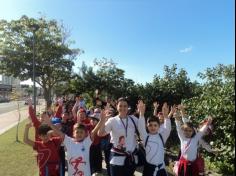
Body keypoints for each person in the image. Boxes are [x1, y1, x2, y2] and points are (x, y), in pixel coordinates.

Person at [44, 109, 107, 176]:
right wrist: (49, 123)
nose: (79, 134)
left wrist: (101, 120)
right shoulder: (69, 141)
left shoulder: (87, 142)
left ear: (85, 134)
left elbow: (93, 132)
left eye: (81, 132)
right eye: (77, 132)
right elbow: (59, 133)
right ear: (73, 133)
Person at [98, 97, 138, 176]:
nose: (123, 108)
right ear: (117, 107)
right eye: (120, 106)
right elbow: (100, 133)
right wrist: (102, 120)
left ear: (128, 107)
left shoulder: (134, 119)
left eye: (125, 106)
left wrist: (142, 114)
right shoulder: (112, 120)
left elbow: (144, 130)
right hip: (116, 158)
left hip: (131, 159)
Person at [174, 109, 213, 176]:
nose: (188, 132)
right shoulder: (182, 138)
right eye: (186, 130)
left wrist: (208, 123)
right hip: (183, 165)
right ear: (183, 130)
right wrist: (177, 118)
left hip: (193, 165)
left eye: (190, 131)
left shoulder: (195, 138)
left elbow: (201, 131)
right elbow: (178, 128)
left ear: (193, 131)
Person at [137, 100, 171, 176]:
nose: (153, 127)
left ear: (159, 126)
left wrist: (166, 116)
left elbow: (168, 128)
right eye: (150, 125)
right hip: (148, 169)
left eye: (155, 125)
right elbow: (140, 128)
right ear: (147, 126)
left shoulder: (162, 136)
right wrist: (141, 114)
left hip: (161, 169)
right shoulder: (146, 137)